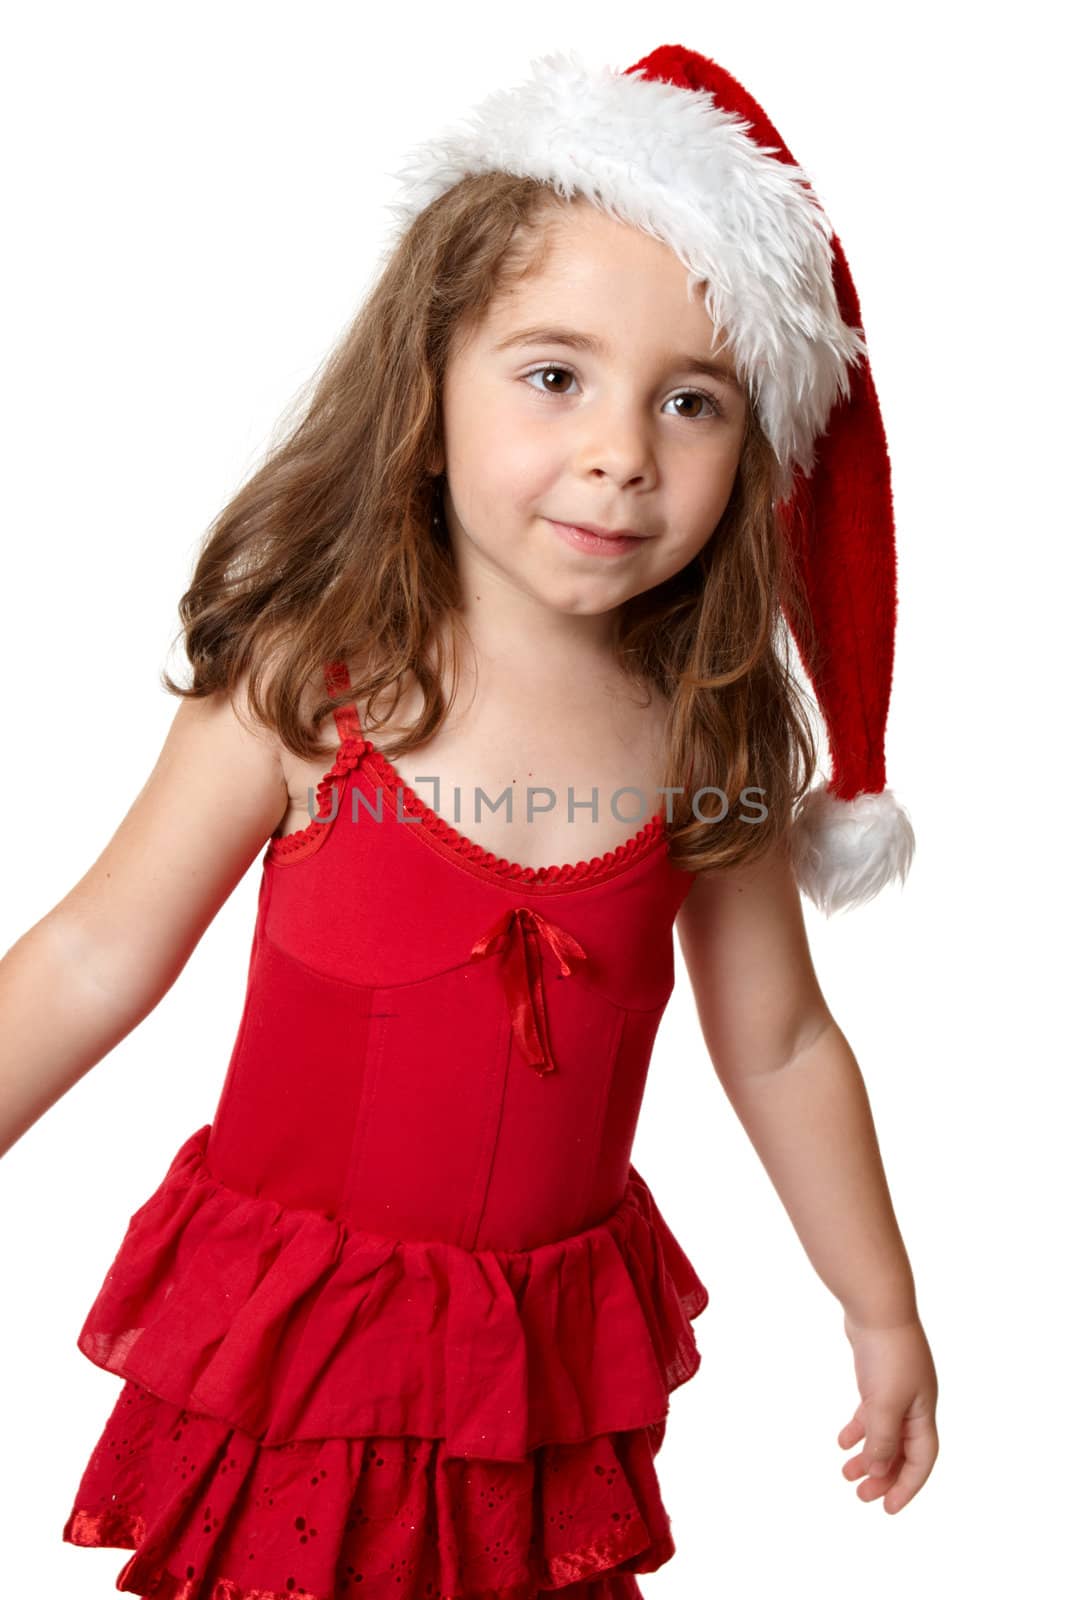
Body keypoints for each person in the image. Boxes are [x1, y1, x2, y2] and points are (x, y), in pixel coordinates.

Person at [0, 41, 937, 1600]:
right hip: (300, 1361)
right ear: (429, 396)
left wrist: (882, 1304)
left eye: (690, 402)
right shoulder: (309, 688)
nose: (620, 453)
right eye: (554, 374)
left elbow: (776, 1042)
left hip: (528, 1392)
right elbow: (99, 950)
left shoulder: (706, 732)